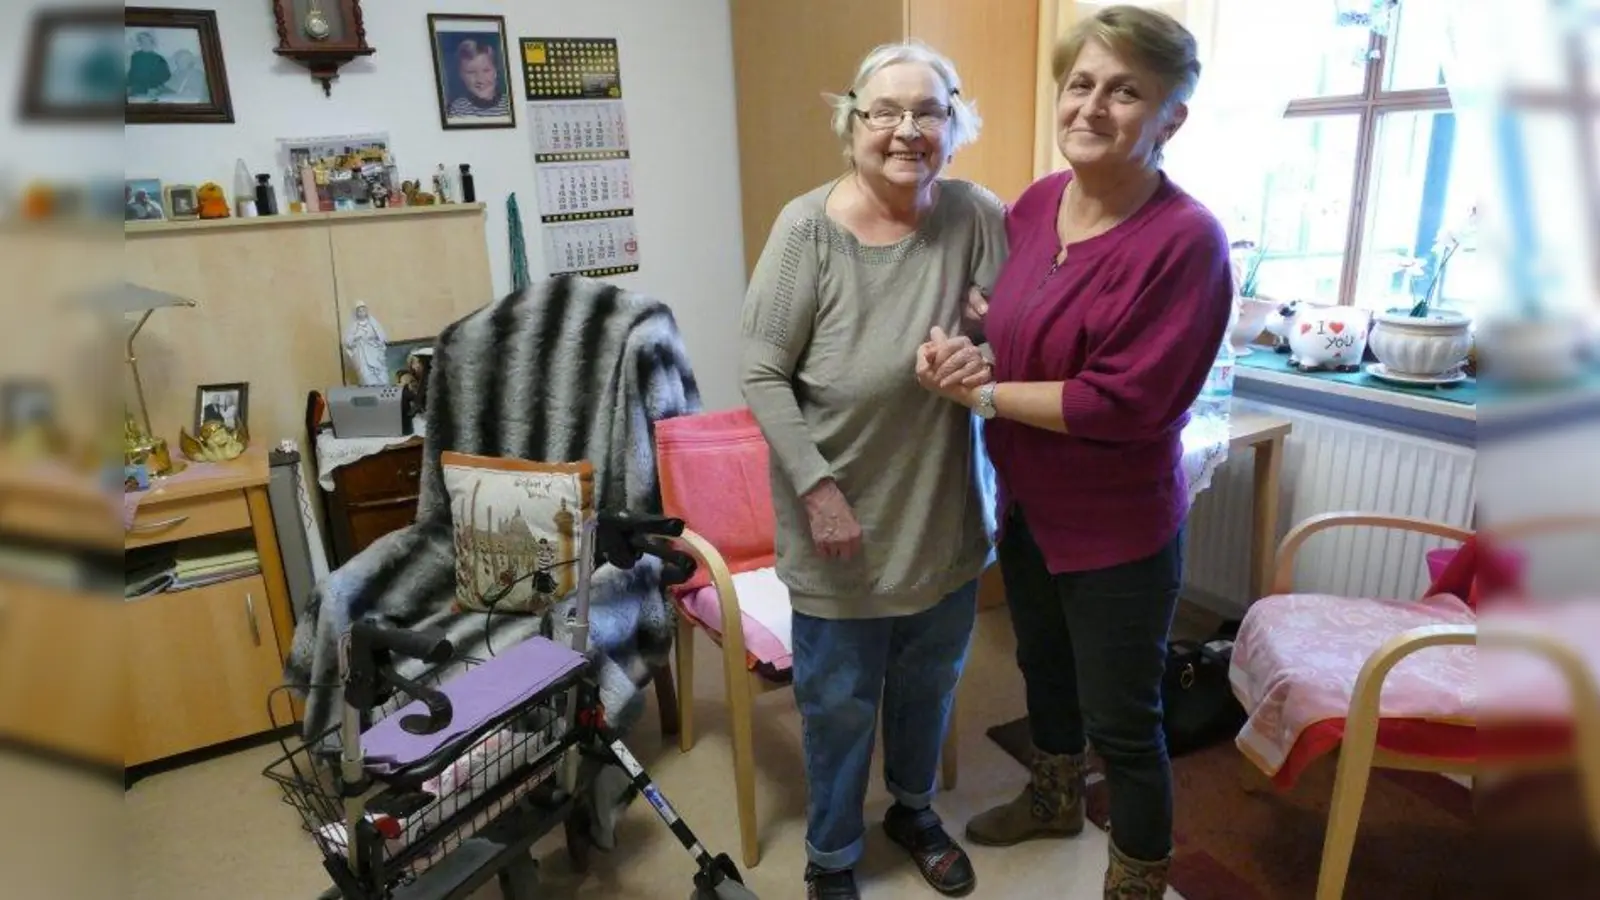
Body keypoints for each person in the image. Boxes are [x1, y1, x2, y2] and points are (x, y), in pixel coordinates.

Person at [914, 6, 1233, 898]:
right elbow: (1016, 329)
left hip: (1118, 532)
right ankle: (1054, 798)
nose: (1092, 106)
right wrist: (972, 352)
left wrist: (977, 394)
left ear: (1170, 118)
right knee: (1041, 670)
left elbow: (1123, 402)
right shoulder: (1037, 202)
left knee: (1126, 723)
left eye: (1125, 90)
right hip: (1027, 507)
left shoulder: (1186, 241)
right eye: (1081, 83)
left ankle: (1135, 880)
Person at [739, 40, 1005, 900]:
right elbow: (760, 372)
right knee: (839, 703)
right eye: (884, 111)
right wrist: (817, 492)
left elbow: (1020, 338)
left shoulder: (975, 215)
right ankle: (831, 856)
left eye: (928, 112)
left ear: (954, 126)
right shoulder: (807, 228)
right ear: (852, 123)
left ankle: (915, 810)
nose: (905, 130)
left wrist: (988, 335)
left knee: (929, 682)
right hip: (840, 519)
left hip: (943, 512)